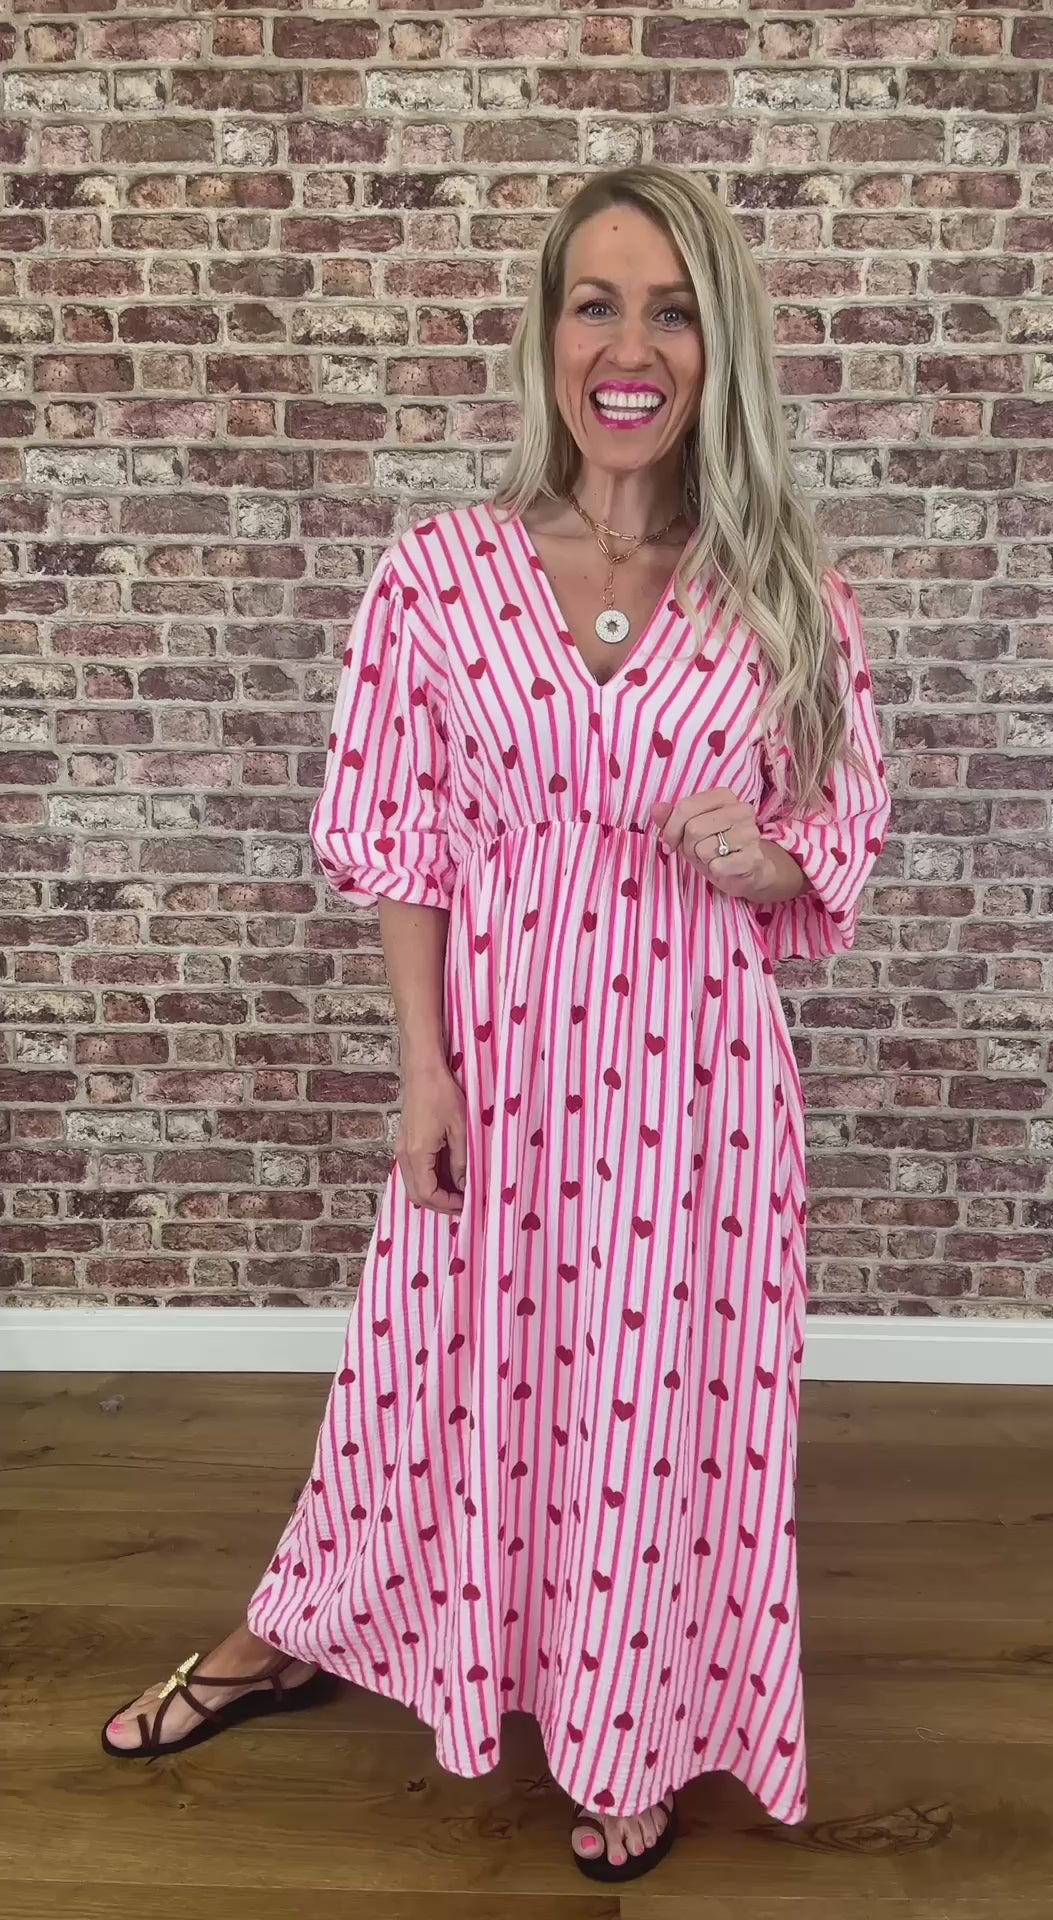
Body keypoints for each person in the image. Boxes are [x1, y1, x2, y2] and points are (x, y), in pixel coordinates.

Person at [101, 163, 891, 1884]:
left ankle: (634, 1720)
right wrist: (422, 1069)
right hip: (506, 1068)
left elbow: (841, 836)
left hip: (693, 1090)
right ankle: (300, 1625)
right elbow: (399, 837)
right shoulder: (443, 576)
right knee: (429, 1377)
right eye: (595, 303)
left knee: (654, 1403)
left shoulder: (783, 598)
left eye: (671, 306)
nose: (631, 344)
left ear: (719, 345)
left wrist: (764, 857)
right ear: (545, 338)